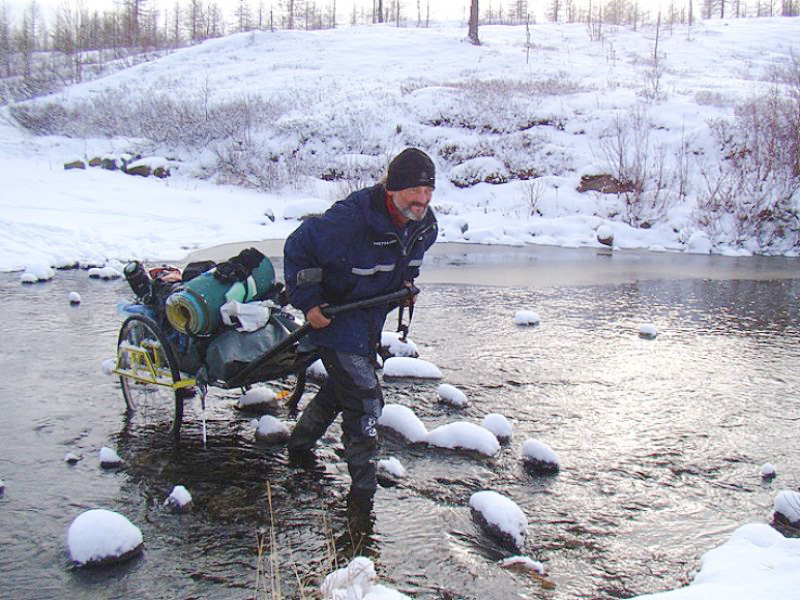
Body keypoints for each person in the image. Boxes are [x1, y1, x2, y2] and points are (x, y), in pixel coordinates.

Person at [283, 147, 438, 509]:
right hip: (335, 318)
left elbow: (405, 265)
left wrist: (405, 290)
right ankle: (362, 497)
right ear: (391, 189)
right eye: (415, 192)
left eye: (429, 192)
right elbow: (298, 246)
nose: (422, 200)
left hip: (369, 317)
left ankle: (298, 448)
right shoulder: (351, 220)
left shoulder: (425, 225)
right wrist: (309, 303)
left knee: (343, 389)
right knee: (366, 399)